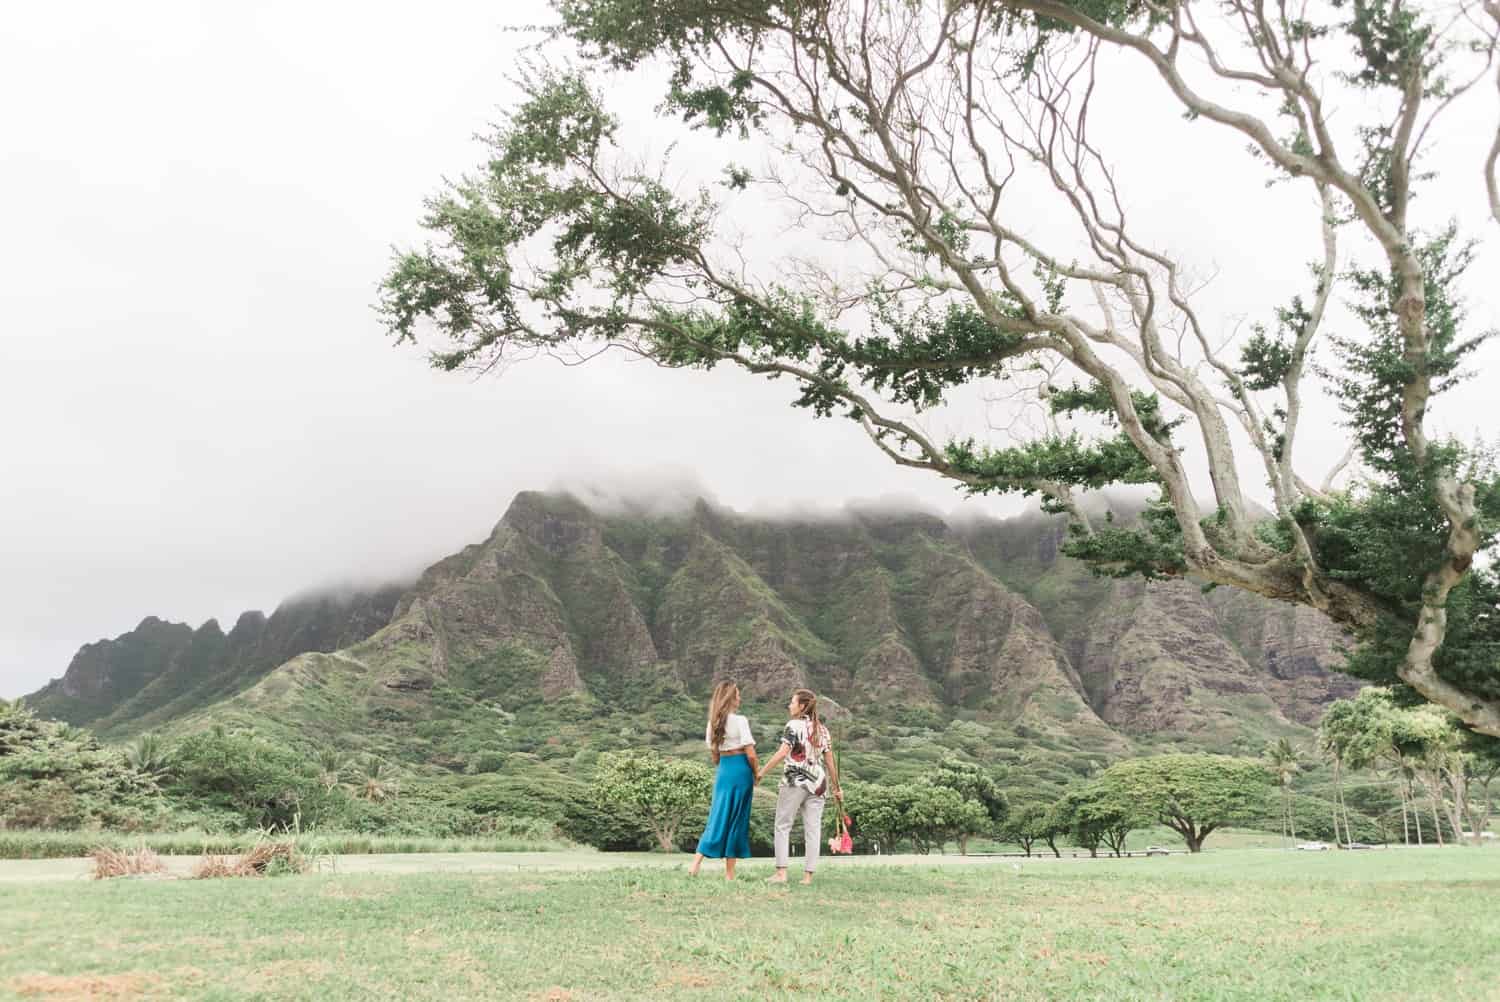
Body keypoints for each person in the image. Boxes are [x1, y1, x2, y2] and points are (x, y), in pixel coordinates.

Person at [756, 688, 842, 885]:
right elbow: (830, 763)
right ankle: (808, 877)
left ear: (802, 706)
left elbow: (782, 752)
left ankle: (781, 873)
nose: (789, 705)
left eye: (792, 702)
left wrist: (762, 772)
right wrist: (837, 788)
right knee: (813, 829)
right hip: (819, 783)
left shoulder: (793, 725)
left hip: (795, 780)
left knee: (782, 825)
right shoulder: (823, 730)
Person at [689, 681, 759, 880]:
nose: (740, 698)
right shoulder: (740, 720)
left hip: (724, 770)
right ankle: (729, 874)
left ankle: (695, 863)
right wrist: (756, 773)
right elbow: (751, 754)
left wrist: (724, 765)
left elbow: (714, 754)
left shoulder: (713, 723)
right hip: (740, 769)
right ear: (731, 698)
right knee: (737, 819)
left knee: (717, 816)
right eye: (738, 694)